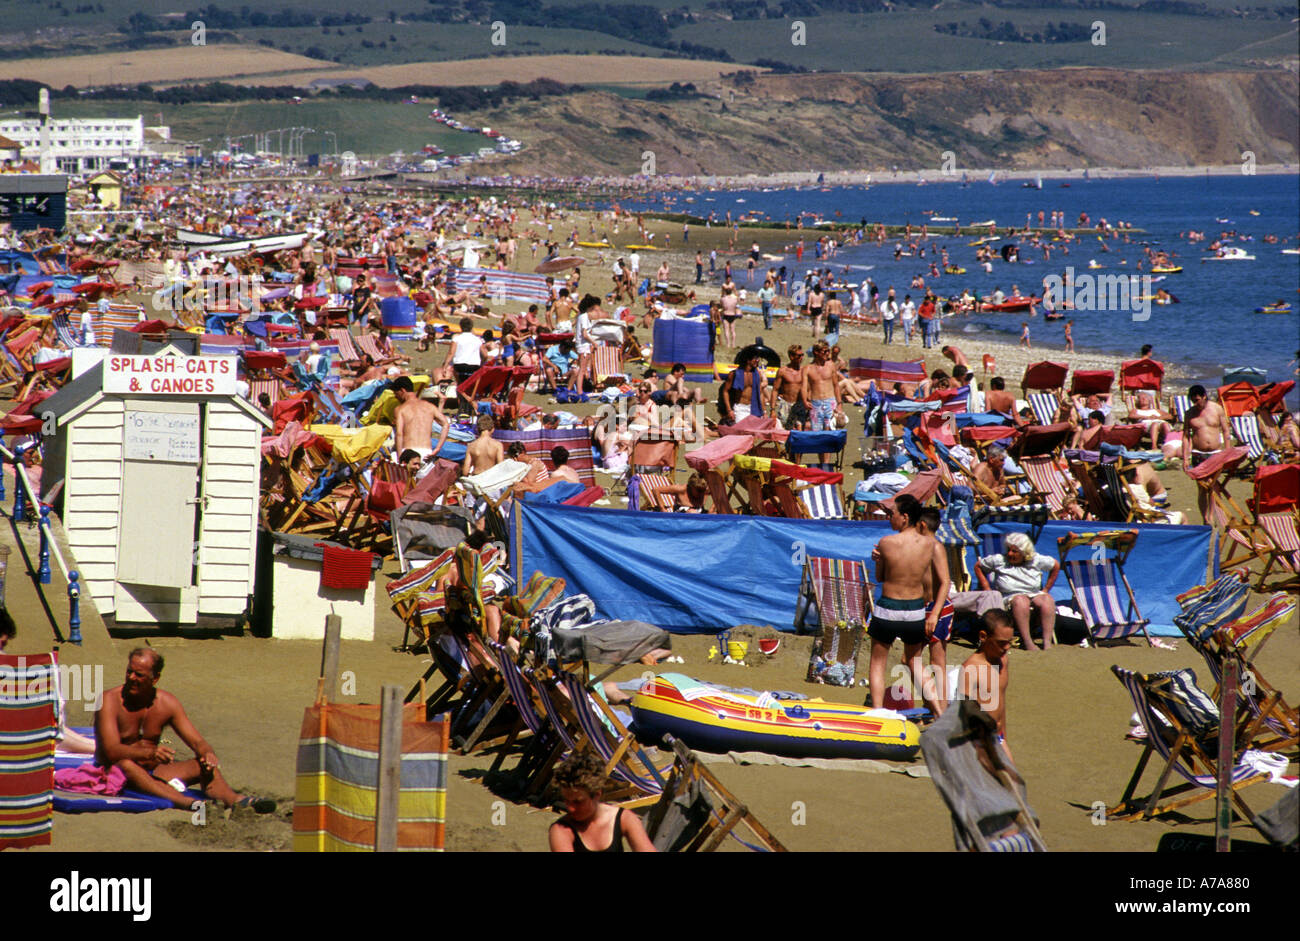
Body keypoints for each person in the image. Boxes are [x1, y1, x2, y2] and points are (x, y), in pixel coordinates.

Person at [94, 648, 274, 812]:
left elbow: (197, 741)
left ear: (154, 678)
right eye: (129, 672)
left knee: (201, 765)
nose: (131, 678)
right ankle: (185, 802)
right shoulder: (109, 701)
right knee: (126, 764)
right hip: (115, 772)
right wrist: (149, 753)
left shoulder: (167, 703)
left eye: (139, 675)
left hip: (153, 772)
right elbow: (111, 751)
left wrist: (207, 753)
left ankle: (235, 800)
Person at [867, 495, 950, 716]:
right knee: (915, 662)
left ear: (905, 517)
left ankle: (877, 713)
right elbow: (946, 581)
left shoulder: (886, 543)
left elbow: (881, 577)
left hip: (888, 608)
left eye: (891, 514)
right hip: (915, 611)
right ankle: (940, 714)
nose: (889, 518)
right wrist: (934, 615)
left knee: (877, 663)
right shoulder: (932, 545)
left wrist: (878, 559)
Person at [548, 751, 656, 852]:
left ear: (596, 795)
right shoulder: (561, 830)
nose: (570, 808)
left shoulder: (624, 818)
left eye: (578, 802)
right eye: (567, 801)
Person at [976, 532, 1059, 652]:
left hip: (1033, 593)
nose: (1010, 553)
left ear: (1025, 553)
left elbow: (1055, 565)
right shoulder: (999, 560)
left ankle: (1047, 642)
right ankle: (1027, 642)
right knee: (1021, 601)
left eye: (1015, 551)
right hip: (1009, 596)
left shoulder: (1036, 560)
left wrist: (1046, 589)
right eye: (1009, 550)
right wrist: (986, 588)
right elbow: (978, 566)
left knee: (1047, 600)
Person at [956, 610, 1015, 761]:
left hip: (998, 737)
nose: (1007, 647)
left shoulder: (1003, 661)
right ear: (983, 636)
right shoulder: (971, 668)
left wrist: (1004, 739)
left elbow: (1001, 703)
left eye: (1010, 641)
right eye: (1002, 642)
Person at [1181, 384, 1232, 523]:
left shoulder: (1217, 409)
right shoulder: (1190, 413)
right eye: (1193, 401)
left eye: (1198, 400)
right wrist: (1185, 458)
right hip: (1198, 454)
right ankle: (1206, 519)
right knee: (1202, 488)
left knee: (1213, 487)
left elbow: (1226, 431)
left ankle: (1211, 516)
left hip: (1215, 453)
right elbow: (1186, 436)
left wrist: (1227, 453)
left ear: (1204, 396)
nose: (1196, 403)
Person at [393, 376, 449, 458]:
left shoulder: (400, 409)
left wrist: (399, 456)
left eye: (396, 394)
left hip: (408, 452)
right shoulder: (430, 406)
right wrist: (437, 448)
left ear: (402, 390)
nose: (396, 397)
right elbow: (446, 424)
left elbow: (399, 434)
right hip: (426, 452)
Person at [771, 344, 808, 429]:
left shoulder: (804, 371)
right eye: (799, 355)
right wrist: (772, 409)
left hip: (799, 404)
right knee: (785, 429)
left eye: (802, 355)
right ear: (791, 356)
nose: (801, 358)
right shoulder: (783, 371)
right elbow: (775, 390)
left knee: (799, 429)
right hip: (785, 404)